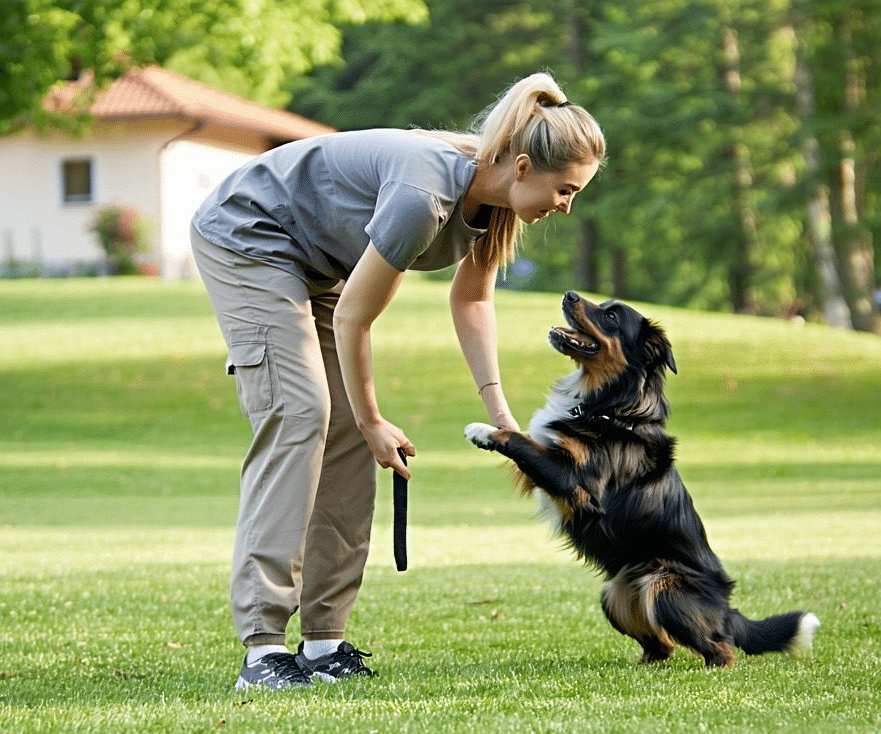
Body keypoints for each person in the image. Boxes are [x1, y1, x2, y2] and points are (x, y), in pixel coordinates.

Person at [190, 73, 605, 691]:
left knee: (348, 435)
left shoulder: (492, 206)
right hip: (250, 233)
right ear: (522, 167)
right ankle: (262, 649)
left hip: (321, 263)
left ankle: (324, 641)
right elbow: (358, 315)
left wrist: (501, 416)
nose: (565, 206)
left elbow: (472, 304)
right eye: (565, 190)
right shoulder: (424, 194)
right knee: (302, 414)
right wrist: (373, 418)